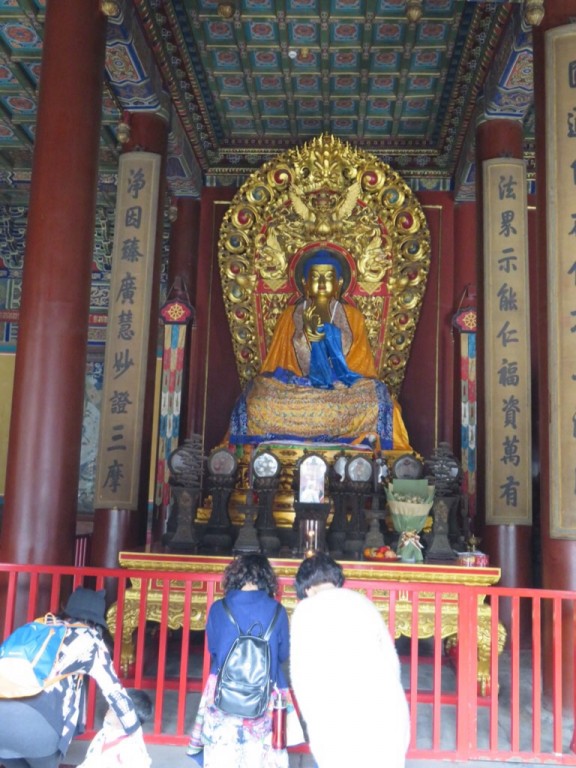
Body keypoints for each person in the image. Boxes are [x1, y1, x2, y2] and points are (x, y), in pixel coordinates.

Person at [228, 248, 411, 450]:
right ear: (305, 283)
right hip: (294, 387)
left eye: (328, 277)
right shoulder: (290, 315)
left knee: (378, 404)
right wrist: (303, 339)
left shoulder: (352, 316)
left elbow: (361, 367)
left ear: (339, 284)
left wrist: (331, 343)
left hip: (340, 390)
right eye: (315, 277)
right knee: (256, 404)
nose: (322, 283)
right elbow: (275, 363)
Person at [290, 553, 410, 768]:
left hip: (338, 713)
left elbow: (301, 675)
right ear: (336, 580)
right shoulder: (363, 603)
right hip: (384, 706)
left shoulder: (306, 610)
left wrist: (314, 718)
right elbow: (391, 661)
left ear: (306, 588)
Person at [0, 587, 142, 768]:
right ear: (96, 621)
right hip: (37, 727)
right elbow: (114, 691)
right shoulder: (89, 638)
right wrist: (134, 731)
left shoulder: (37, 626)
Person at [187, 554, 291, 768]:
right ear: (266, 578)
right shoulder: (277, 611)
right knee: (261, 753)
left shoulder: (219, 608)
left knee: (222, 752)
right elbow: (282, 655)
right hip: (266, 688)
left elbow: (213, 649)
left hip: (224, 685)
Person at [78, 688, 152, 768]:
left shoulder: (131, 751)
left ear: (127, 718)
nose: (110, 706)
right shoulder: (104, 733)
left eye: (115, 707)